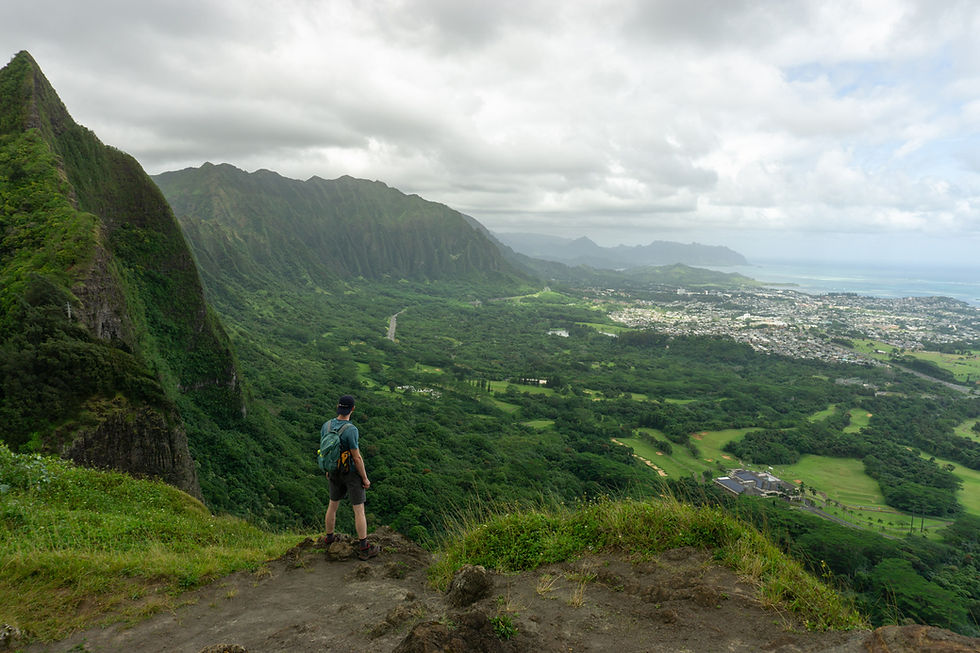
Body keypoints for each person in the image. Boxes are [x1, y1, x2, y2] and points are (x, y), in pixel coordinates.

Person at [323, 394, 380, 559]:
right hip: (351, 473)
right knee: (359, 510)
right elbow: (357, 457)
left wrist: (328, 469)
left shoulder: (326, 426)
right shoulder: (351, 430)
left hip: (333, 471)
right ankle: (364, 548)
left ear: (338, 407)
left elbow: (325, 451)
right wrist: (365, 478)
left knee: (332, 505)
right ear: (352, 409)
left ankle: (329, 538)